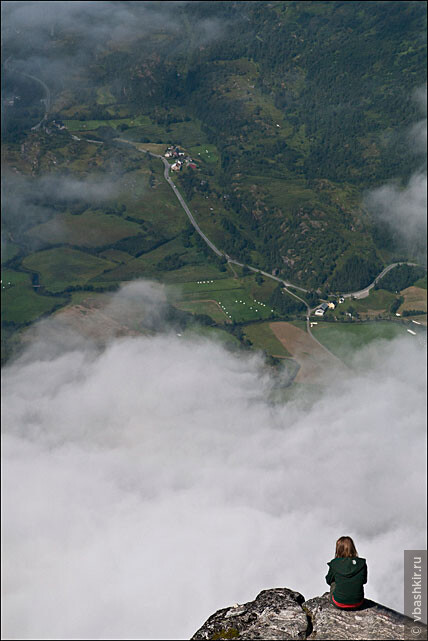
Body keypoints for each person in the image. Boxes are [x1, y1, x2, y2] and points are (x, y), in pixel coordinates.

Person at [326, 536, 367, 610]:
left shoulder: (335, 564)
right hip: (358, 603)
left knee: (334, 582)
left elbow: (329, 580)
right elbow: (364, 581)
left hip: (339, 603)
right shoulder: (362, 563)